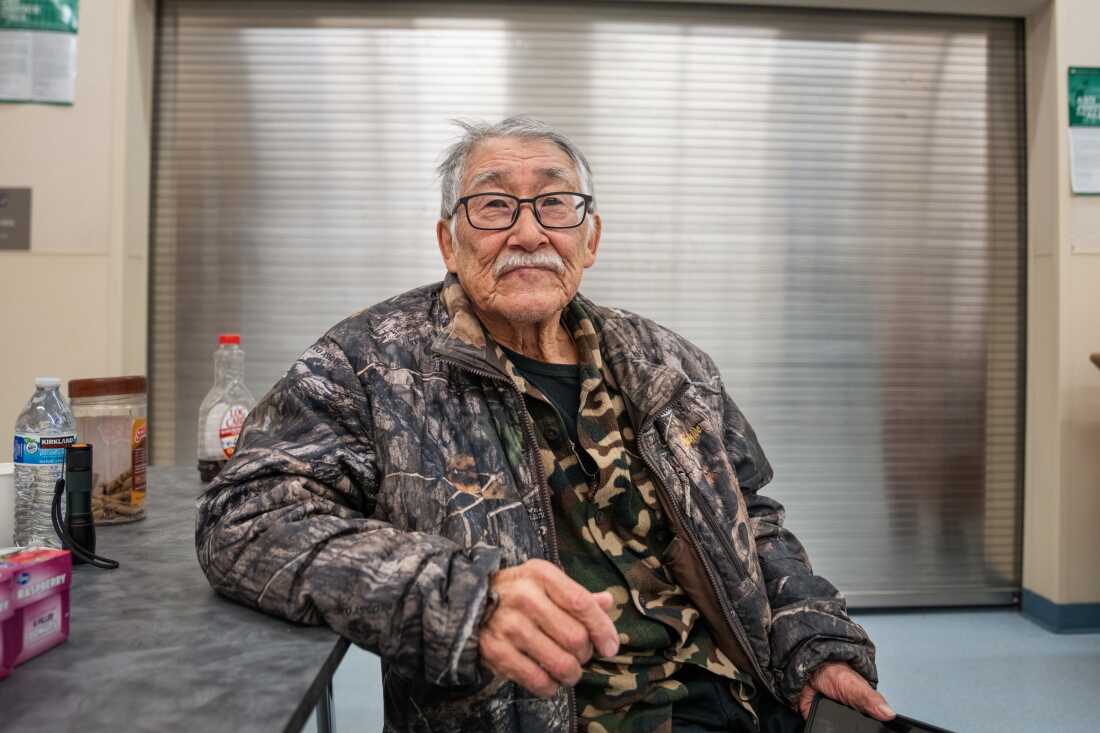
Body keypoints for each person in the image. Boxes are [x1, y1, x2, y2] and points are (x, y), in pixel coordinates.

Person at [196, 116, 894, 733]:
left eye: (554, 204)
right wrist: (463, 597)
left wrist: (817, 644)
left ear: (589, 239)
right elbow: (243, 518)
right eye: (494, 204)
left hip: (739, 705)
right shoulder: (369, 363)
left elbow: (755, 520)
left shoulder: (670, 365)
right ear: (449, 240)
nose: (528, 231)